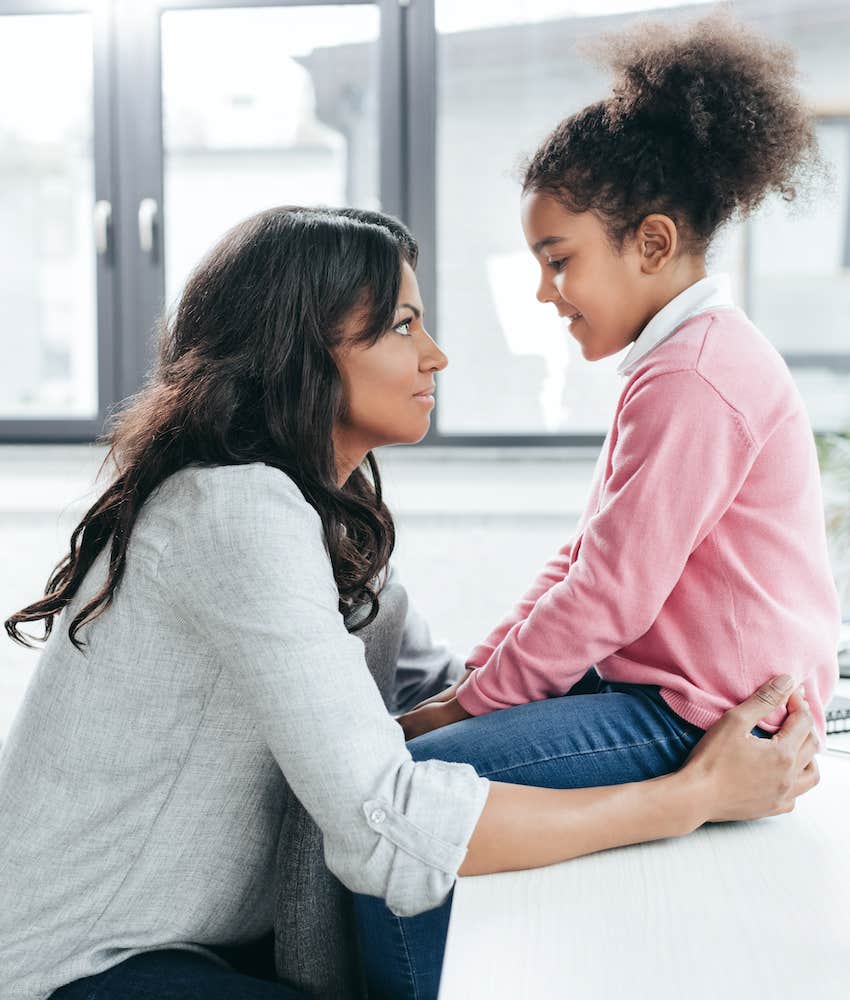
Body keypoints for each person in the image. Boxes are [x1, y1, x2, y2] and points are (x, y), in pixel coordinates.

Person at [0, 205, 816, 1000]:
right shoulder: (235, 513)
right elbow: (388, 818)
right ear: (301, 348)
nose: (436, 356)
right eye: (401, 325)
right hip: (90, 966)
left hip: (212, 948)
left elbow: (448, 697)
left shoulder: (320, 519)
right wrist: (692, 796)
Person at [358, 11, 840, 999]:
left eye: (559, 257)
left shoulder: (696, 373)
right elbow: (587, 560)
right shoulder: (679, 360)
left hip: (695, 719)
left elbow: (608, 596)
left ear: (652, 243)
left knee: (398, 809)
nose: (543, 290)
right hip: (662, 696)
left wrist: (463, 704)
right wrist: (483, 675)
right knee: (421, 753)